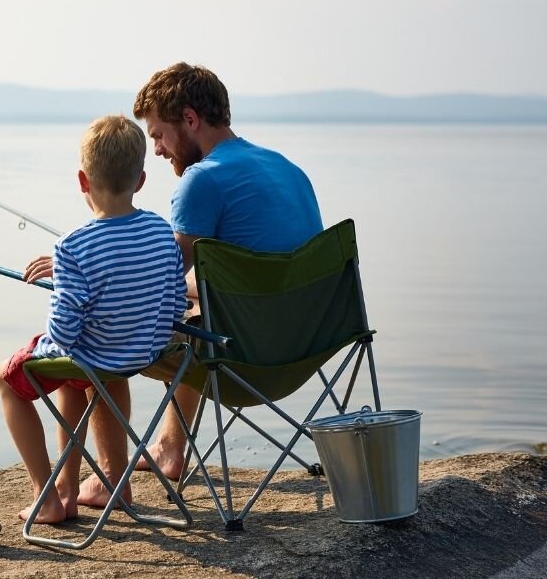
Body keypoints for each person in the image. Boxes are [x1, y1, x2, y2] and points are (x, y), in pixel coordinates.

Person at [26, 62, 324, 503]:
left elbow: (151, 280)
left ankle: (111, 477)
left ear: (190, 119)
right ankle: (169, 446)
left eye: (160, 135)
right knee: (193, 311)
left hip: (243, 356)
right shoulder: (286, 167)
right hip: (307, 341)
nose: (160, 150)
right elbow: (195, 279)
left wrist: (82, 265)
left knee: (101, 334)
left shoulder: (201, 180)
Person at [0, 114, 187, 524]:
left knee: (7, 379)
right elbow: (175, 306)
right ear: (140, 180)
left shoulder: (71, 247)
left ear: (83, 181)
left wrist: (62, 298)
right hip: (146, 353)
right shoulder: (161, 232)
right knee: (78, 378)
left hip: (95, 358)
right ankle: (81, 488)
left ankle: (44, 494)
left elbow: (64, 333)